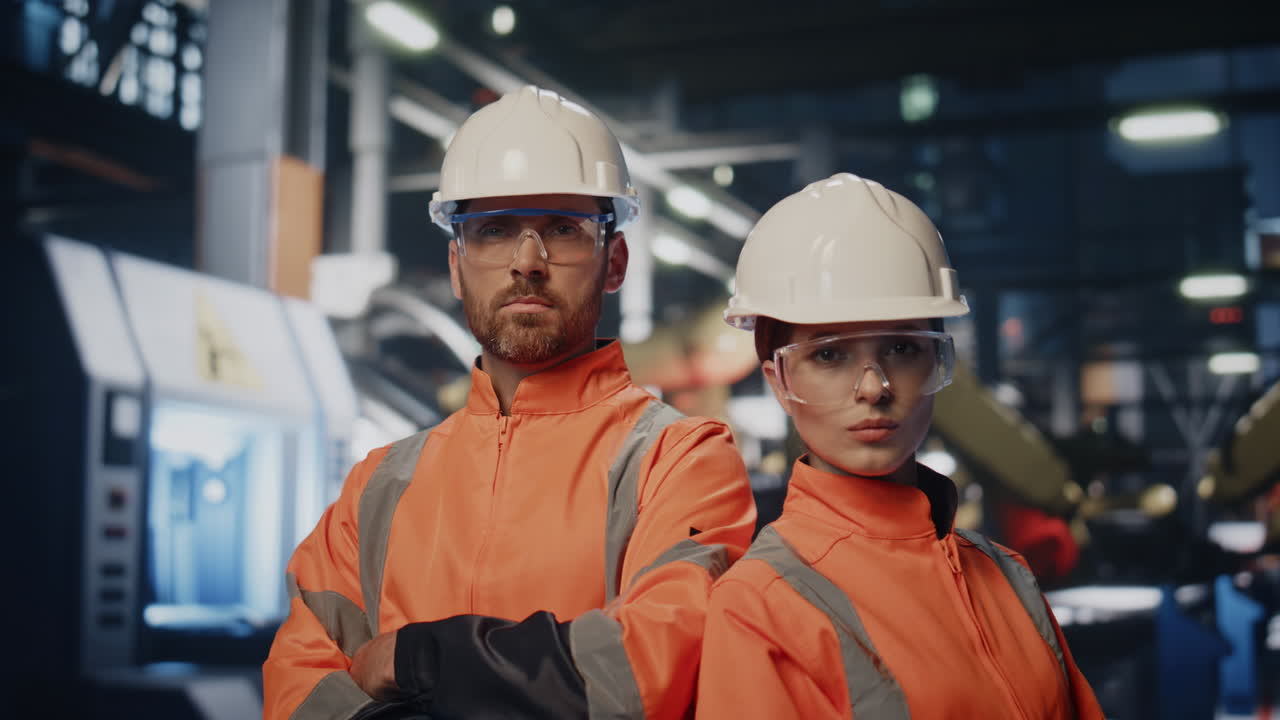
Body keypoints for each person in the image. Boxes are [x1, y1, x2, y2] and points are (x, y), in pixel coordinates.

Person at [263, 86, 757, 720]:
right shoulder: (378, 488)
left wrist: (428, 658)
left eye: (564, 230)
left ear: (615, 262)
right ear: (455, 263)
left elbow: (648, 669)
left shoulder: (678, 462)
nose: (528, 262)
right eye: (494, 230)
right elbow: (297, 682)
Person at [697, 173, 1104, 718]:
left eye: (901, 348)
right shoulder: (759, 604)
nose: (873, 387)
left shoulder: (1006, 575)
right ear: (778, 378)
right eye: (830, 355)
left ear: (937, 361)